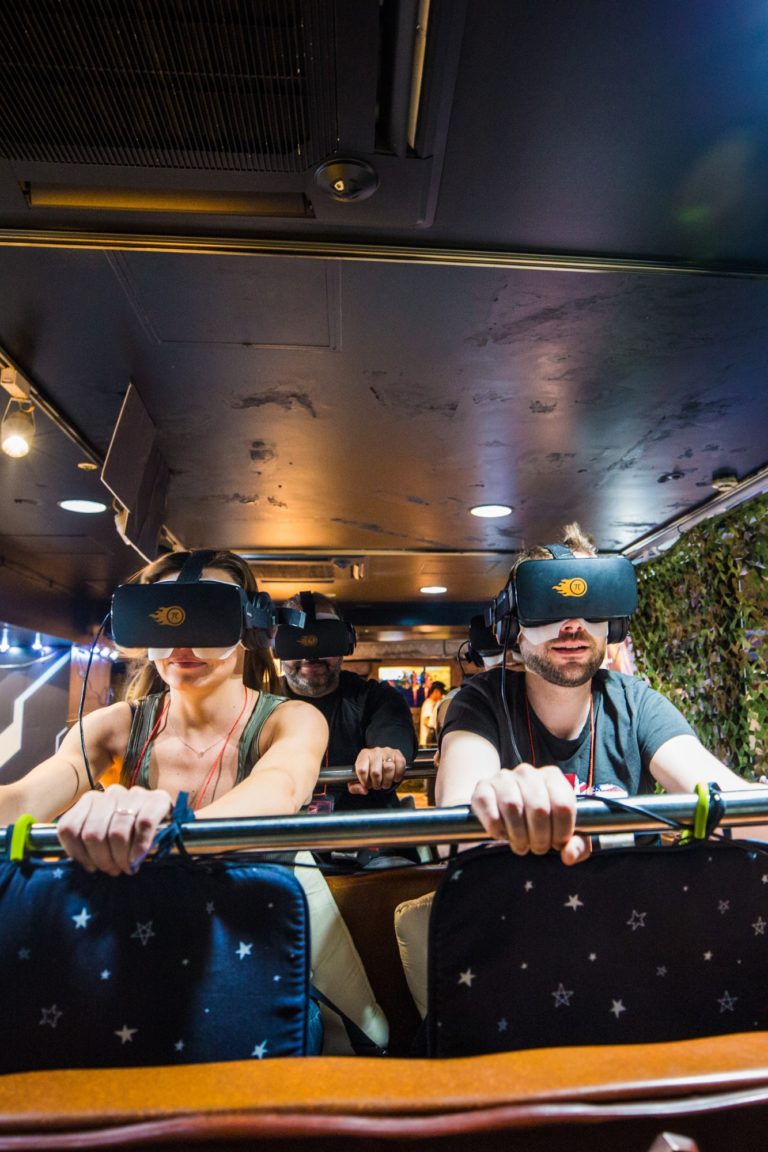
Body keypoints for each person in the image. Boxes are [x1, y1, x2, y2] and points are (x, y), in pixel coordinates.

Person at [437, 522, 768, 864]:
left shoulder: (635, 704)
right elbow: (454, 829)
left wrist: (750, 806)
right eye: (550, 604)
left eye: (592, 603)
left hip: (631, 907)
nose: (573, 626)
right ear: (513, 628)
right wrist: (492, 803)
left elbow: (726, 797)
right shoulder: (483, 703)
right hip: (521, 908)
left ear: (613, 625)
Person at [0, 550, 328, 875]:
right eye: (166, 617)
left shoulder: (291, 721)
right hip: (142, 918)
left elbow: (280, 787)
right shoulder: (114, 728)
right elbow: (27, 797)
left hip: (249, 917)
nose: (182, 642)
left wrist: (166, 837)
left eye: (205, 617)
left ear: (252, 628)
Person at [276, 592, 417, 811]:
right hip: (282, 834)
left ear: (346, 641)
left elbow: (393, 727)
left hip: (362, 831)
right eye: (297, 641)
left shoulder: (375, 697)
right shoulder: (258, 701)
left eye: (324, 639)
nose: (311, 654)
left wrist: (385, 753)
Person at [419, 681, 446, 746]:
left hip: (429, 741)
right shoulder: (429, 703)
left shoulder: (432, 703)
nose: (442, 695)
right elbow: (426, 721)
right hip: (428, 741)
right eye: (441, 693)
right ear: (436, 691)